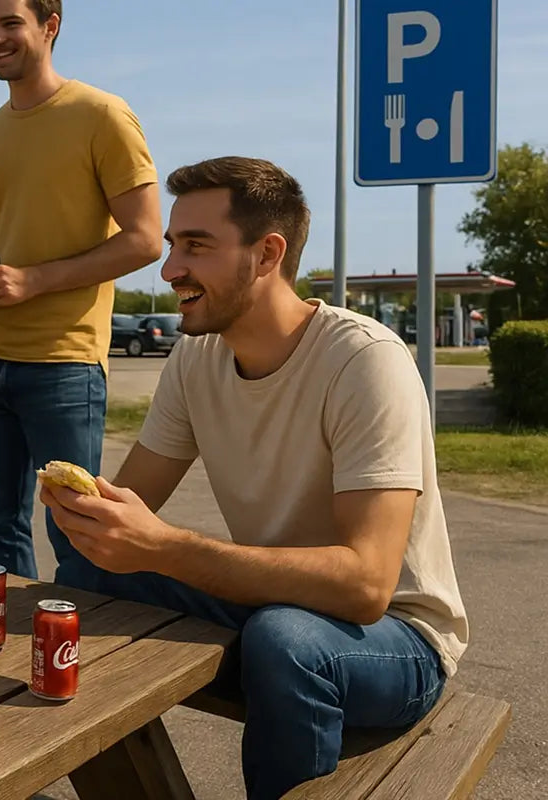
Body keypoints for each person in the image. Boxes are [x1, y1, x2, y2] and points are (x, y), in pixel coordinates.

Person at [39, 156, 467, 799]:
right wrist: (85, 512)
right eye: (172, 245)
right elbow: (133, 504)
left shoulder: (364, 361)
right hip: (270, 609)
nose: (169, 269)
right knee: (87, 575)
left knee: (284, 642)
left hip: (395, 641)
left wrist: (164, 546)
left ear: (267, 254)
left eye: (196, 246)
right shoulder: (196, 356)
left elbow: (366, 585)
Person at [0, 0, 164, 582]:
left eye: (10, 23)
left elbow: (146, 239)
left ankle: (80, 643)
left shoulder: (102, 115)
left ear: (50, 26)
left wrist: (31, 280)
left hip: (64, 364)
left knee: (78, 532)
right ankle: (5, 637)